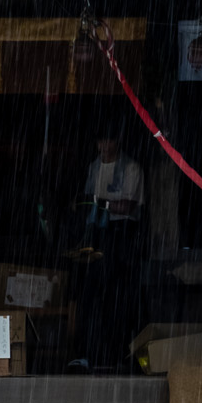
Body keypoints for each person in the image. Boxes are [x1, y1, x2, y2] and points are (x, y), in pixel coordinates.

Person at [74, 128, 146, 369]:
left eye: (108, 140)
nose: (103, 146)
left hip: (121, 235)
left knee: (116, 297)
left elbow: (127, 206)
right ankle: (90, 353)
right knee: (92, 295)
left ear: (117, 141)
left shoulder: (130, 168)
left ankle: (115, 355)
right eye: (100, 140)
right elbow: (86, 201)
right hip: (97, 233)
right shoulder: (94, 166)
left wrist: (98, 202)